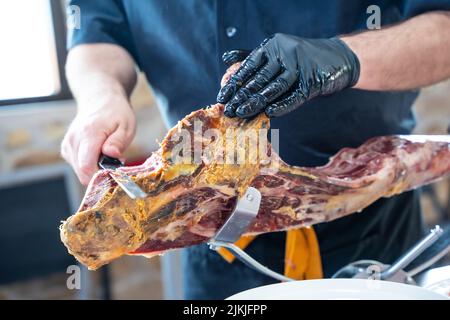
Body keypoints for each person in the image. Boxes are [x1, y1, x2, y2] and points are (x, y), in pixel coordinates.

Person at [61, 0, 450, 299]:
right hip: (206, 226)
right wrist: (101, 97)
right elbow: (98, 34)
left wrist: (344, 57)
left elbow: (442, 28)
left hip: (366, 214)